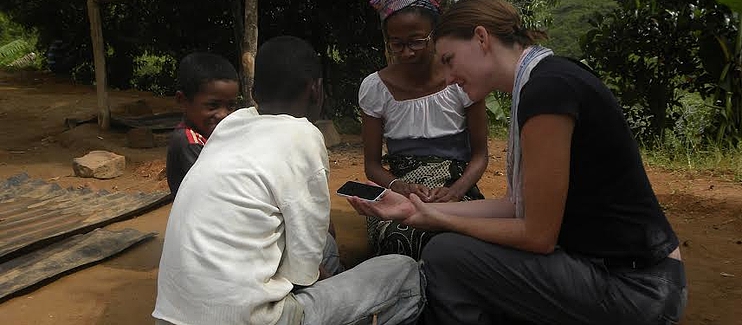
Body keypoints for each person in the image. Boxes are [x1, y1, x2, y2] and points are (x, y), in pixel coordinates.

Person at [349, 0, 687, 324]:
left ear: (481, 38)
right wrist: (415, 211)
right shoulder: (546, 77)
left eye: (450, 60)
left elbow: (537, 235)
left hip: (637, 287)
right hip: (634, 274)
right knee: (460, 250)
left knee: (445, 255)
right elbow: (515, 206)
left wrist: (441, 219)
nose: (449, 77)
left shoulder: (547, 91)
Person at [152, 36, 424, 325]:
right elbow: (305, 272)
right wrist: (337, 292)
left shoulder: (230, 126)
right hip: (254, 319)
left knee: (327, 250)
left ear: (254, 92)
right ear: (316, 90)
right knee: (404, 273)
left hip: (171, 318)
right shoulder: (302, 137)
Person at [361, 0, 489, 259]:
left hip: (454, 189)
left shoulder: (462, 79)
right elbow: (372, 166)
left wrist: (456, 191)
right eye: (396, 43)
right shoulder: (375, 88)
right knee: (399, 237)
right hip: (402, 193)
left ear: (436, 35)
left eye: (416, 41)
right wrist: (401, 187)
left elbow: (480, 155)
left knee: (460, 239)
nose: (406, 52)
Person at [166, 52, 239, 196]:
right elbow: (213, 191)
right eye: (212, 106)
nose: (223, 115)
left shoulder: (211, 136)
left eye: (231, 106)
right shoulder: (189, 142)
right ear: (182, 100)